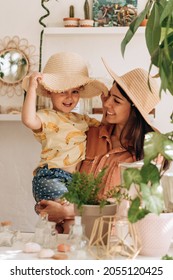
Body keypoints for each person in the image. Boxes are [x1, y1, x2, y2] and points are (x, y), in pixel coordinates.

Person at [37, 61, 161, 227]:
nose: (106, 103)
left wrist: (68, 211)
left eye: (116, 101)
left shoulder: (149, 153)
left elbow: (131, 206)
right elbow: (60, 172)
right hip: (72, 238)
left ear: (134, 111)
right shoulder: (90, 135)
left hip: (116, 242)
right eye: (109, 95)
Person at [22, 51, 108, 233]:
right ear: (48, 92)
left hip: (74, 182)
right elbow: (28, 120)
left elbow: (105, 129)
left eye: (74, 91)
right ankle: (67, 257)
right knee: (72, 223)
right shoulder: (46, 117)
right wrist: (31, 89)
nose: (69, 97)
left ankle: (57, 254)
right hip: (51, 177)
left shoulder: (83, 119)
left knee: (63, 227)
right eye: (62, 91)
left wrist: (105, 103)